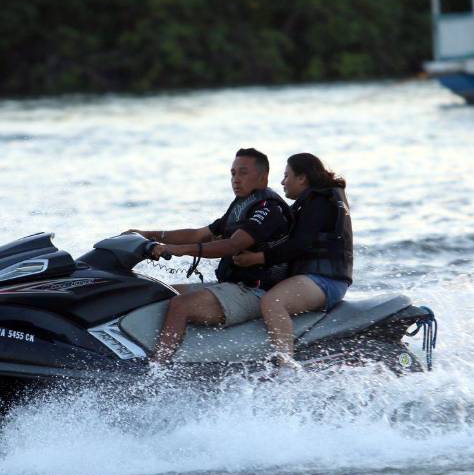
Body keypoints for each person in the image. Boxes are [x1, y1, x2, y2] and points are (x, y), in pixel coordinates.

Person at [127, 148, 292, 364]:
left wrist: (176, 249)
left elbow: (232, 245)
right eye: (233, 173)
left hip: (256, 291)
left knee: (180, 305)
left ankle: (158, 369)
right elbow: (198, 234)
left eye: (243, 173)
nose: (236, 179)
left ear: (263, 176)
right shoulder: (242, 205)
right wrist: (149, 235)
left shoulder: (268, 209)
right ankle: (134, 349)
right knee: (161, 292)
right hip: (234, 286)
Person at [233, 153, 353, 367]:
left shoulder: (319, 202)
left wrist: (258, 258)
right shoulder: (316, 201)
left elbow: (300, 244)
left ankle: (286, 367)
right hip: (322, 278)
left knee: (273, 302)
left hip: (325, 280)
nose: (282, 182)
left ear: (302, 178)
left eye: (286, 176)